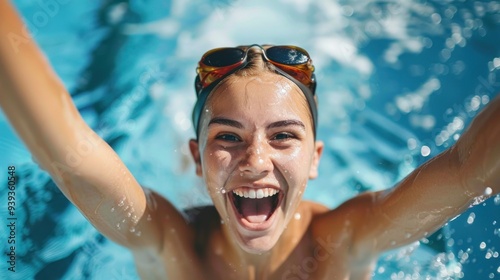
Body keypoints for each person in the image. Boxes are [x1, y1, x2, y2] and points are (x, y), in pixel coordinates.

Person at [1, 2, 499, 279]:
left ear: (316, 159)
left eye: (283, 136)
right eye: (228, 137)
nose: (256, 160)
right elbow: (68, 154)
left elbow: (469, 170)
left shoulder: (341, 242)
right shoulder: (173, 246)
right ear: (198, 158)